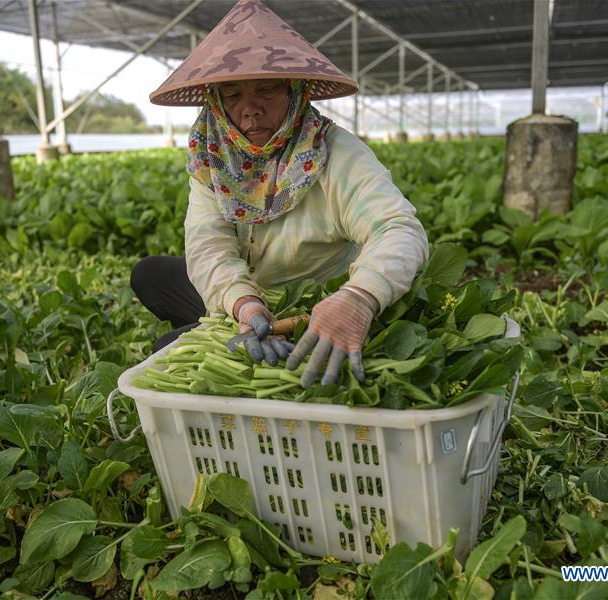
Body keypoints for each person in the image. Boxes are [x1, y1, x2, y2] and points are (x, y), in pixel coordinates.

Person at [131, 0, 428, 388]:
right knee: (150, 273)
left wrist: (359, 298)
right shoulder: (214, 157)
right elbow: (209, 245)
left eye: (267, 90)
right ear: (217, 104)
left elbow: (399, 228)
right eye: (232, 95)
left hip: (316, 309)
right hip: (253, 300)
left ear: (296, 93)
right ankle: (247, 324)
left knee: (167, 347)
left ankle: (279, 332)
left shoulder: (335, 152)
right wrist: (244, 302)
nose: (250, 110)